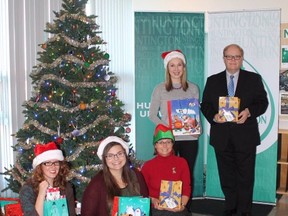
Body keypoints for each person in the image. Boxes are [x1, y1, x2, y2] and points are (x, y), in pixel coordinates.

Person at [201, 44, 269, 216]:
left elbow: (263, 103)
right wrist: (214, 116)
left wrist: (249, 112)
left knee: (246, 177)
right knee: (227, 177)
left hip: (245, 136)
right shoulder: (212, 80)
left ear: (242, 58)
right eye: (229, 56)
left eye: (236, 56)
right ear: (223, 58)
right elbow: (206, 105)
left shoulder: (253, 79)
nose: (233, 60)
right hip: (221, 137)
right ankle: (230, 208)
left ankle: (244, 212)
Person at [149, 49, 201, 205]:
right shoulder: (160, 89)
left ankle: (184, 207)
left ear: (184, 67)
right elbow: (152, 115)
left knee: (186, 174)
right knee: (167, 173)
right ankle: (166, 204)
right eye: (172, 65)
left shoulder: (193, 88)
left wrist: (196, 128)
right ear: (167, 68)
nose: (176, 69)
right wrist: (167, 128)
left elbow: (194, 114)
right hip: (168, 139)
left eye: (179, 65)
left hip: (189, 138)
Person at [81, 136, 149, 216]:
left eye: (120, 153)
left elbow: (145, 205)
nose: (116, 158)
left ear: (125, 154)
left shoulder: (136, 175)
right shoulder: (96, 184)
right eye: (110, 155)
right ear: (104, 159)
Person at [141, 124, 191, 216]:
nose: (165, 145)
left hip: (177, 208)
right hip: (155, 208)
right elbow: (143, 192)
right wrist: (153, 201)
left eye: (168, 142)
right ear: (155, 145)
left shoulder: (182, 162)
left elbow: (186, 188)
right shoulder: (148, 166)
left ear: (172, 144)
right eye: (161, 142)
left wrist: (182, 205)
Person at [19, 141, 76, 216]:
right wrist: (42, 192)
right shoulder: (28, 190)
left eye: (56, 162)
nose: (53, 167)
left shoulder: (66, 187)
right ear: (40, 166)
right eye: (48, 163)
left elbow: (71, 214)